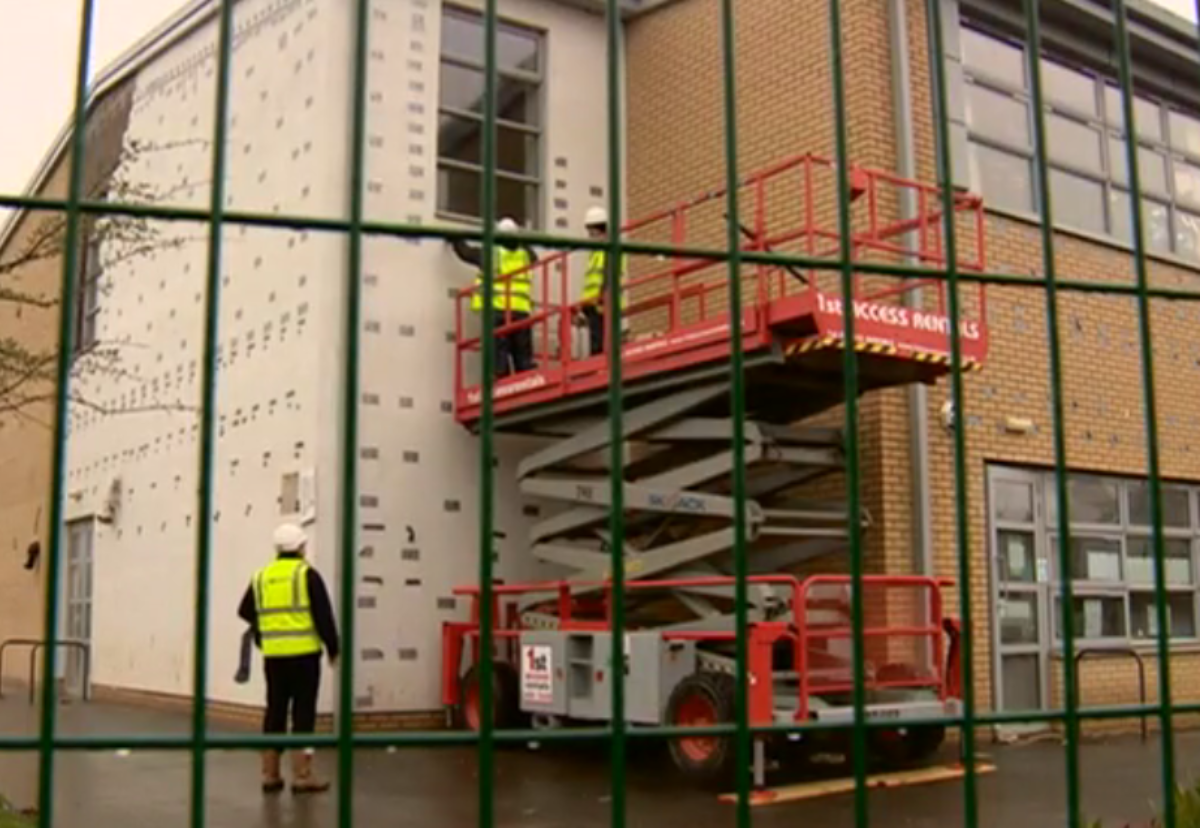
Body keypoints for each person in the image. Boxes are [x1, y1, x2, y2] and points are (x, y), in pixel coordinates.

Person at [238, 522, 340, 795]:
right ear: (301, 547)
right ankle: (302, 775)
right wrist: (333, 648)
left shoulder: (262, 576)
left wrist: (263, 632)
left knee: (275, 712)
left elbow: (245, 609)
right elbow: (323, 616)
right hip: (305, 657)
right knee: (303, 715)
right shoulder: (307, 575)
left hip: (274, 658)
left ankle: (270, 774)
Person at [450, 217, 539, 377]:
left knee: (499, 353)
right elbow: (534, 257)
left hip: (498, 309)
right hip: (521, 311)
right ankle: (526, 378)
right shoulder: (525, 255)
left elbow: (466, 253)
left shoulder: (491, 254)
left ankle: (500, 381)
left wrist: (455, 239)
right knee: (522, 354)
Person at [577, 206, 628, 357]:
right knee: (597, 341)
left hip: (604, 303)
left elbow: (608, 275)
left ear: (601, 230)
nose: (590, 236)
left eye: (592, 232)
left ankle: (600, 366)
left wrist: (602, 298)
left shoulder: (609, 249)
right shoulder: (597, 252)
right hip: (594, 304)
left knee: (602, 342)